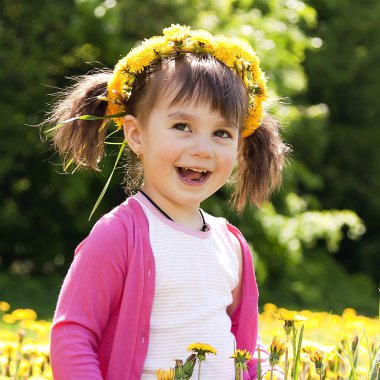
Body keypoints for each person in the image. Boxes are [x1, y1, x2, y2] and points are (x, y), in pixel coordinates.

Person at [47, 24, 288, 379]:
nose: (202, 149)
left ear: (238, 147)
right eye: (182, 127)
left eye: (221, 133)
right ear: (136, 134)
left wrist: (268, 371)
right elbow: (73, 333)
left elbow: (245, 340)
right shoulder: (121, 234)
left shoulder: (231, 243)